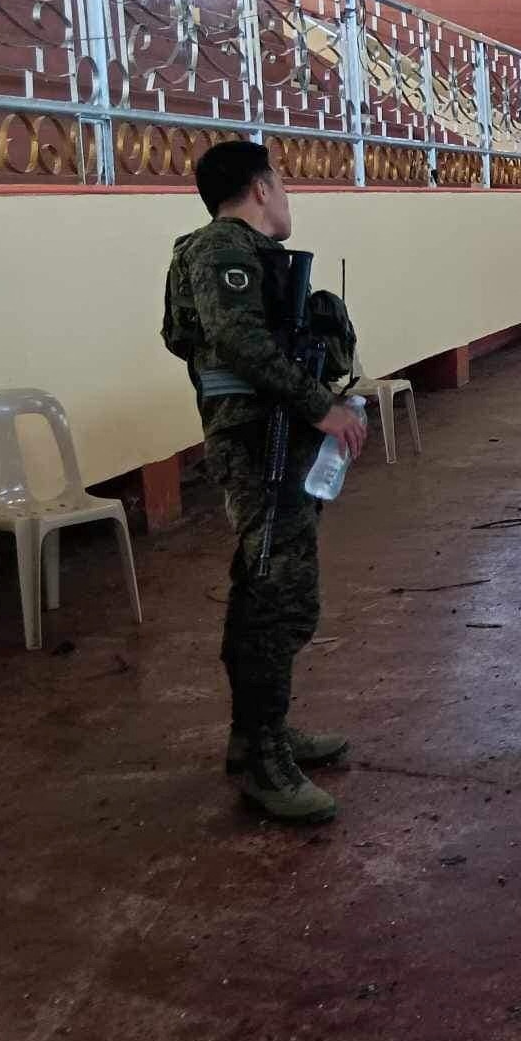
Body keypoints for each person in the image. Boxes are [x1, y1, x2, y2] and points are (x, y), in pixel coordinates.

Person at [162, 142, 369, 823]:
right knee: (277, 593)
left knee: (266, 588)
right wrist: (320, 405)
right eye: (280, 183)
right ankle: (263, 760)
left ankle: (258, 734)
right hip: (259, 443)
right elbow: (239, 341)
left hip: (272, 436)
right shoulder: (223, 248)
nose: (286, 197)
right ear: (258, 188)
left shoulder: (239, 254)